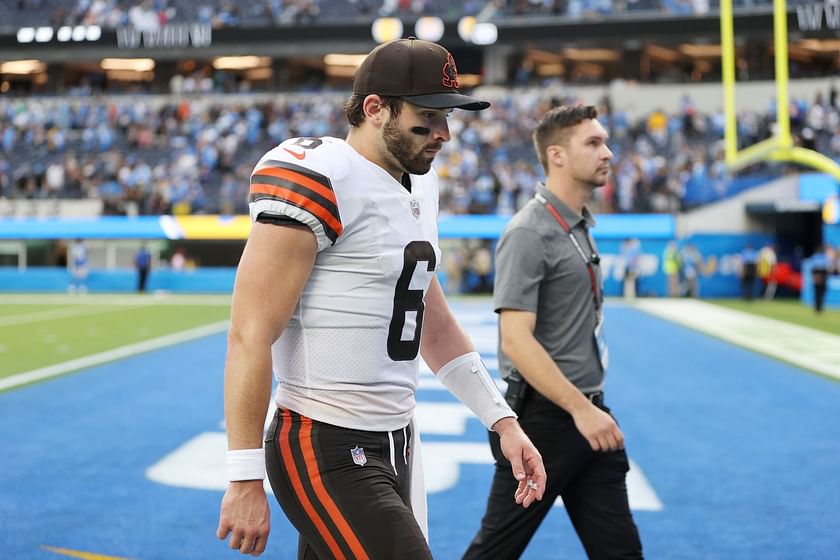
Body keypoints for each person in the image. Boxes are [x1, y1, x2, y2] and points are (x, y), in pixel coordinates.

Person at [216, 38, 547, 559]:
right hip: (322, 438)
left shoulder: (421, 182)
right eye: (428, 116)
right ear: (375, 108)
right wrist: (243, 475)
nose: (444, 132)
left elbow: (430, 322)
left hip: (395, 437)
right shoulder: (325, 176)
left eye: (448, 115)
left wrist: (502, 420)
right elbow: (249, 332)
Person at [463, 105, 643, 560]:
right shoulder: (530, 231)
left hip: (588, 415)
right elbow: (515, 340)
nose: (608, 152)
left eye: (605, 141)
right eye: (594, 143)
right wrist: (582, 410)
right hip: (546, 421)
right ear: (557, 155)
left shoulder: (578, 224)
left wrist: (589, 410)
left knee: (620, 553)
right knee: (495, 551)